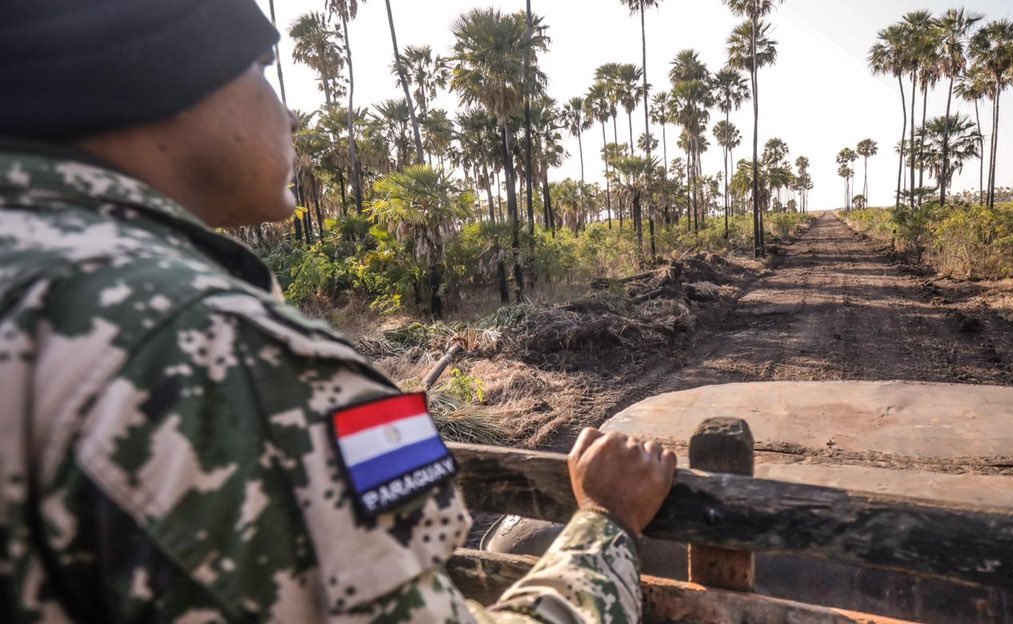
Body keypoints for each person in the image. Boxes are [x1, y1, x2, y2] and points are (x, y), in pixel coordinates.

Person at [0, 1, 677, 622]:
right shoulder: (235, 359)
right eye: (262, 67)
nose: (288, 115)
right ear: (162, 79)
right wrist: (606, 524)